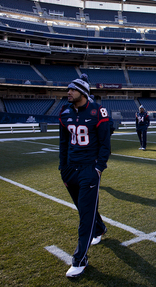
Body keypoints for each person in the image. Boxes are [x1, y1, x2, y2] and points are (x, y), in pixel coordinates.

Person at [59, 75, 111, 278]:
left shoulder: (98, 112)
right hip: (71, 169)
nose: (68, 92)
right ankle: (99, 229)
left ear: (83, 92)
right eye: (68, 89)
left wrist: (98, 168)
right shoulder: (64, 112)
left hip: (89, 169)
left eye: (72, 89)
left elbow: (105, 144)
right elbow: (63, 143)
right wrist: (63, 168)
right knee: (83, 208)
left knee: (85, 216)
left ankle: (80, 259)